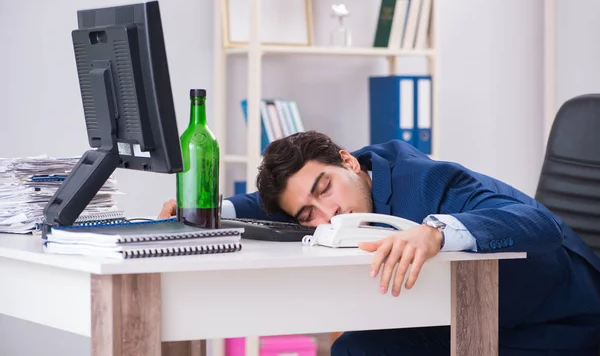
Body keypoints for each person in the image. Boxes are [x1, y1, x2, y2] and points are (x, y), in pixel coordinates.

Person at [159, 130, 600, 355]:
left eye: (324, 188)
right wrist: (206, 212)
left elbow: (539, 224)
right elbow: (267, 202)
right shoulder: (356, 173)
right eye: (308, 214)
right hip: (460, 316)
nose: (328, 214)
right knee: (355, 348)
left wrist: (436, 233)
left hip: (556, 322)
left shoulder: (431, 182)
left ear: (348, 161)